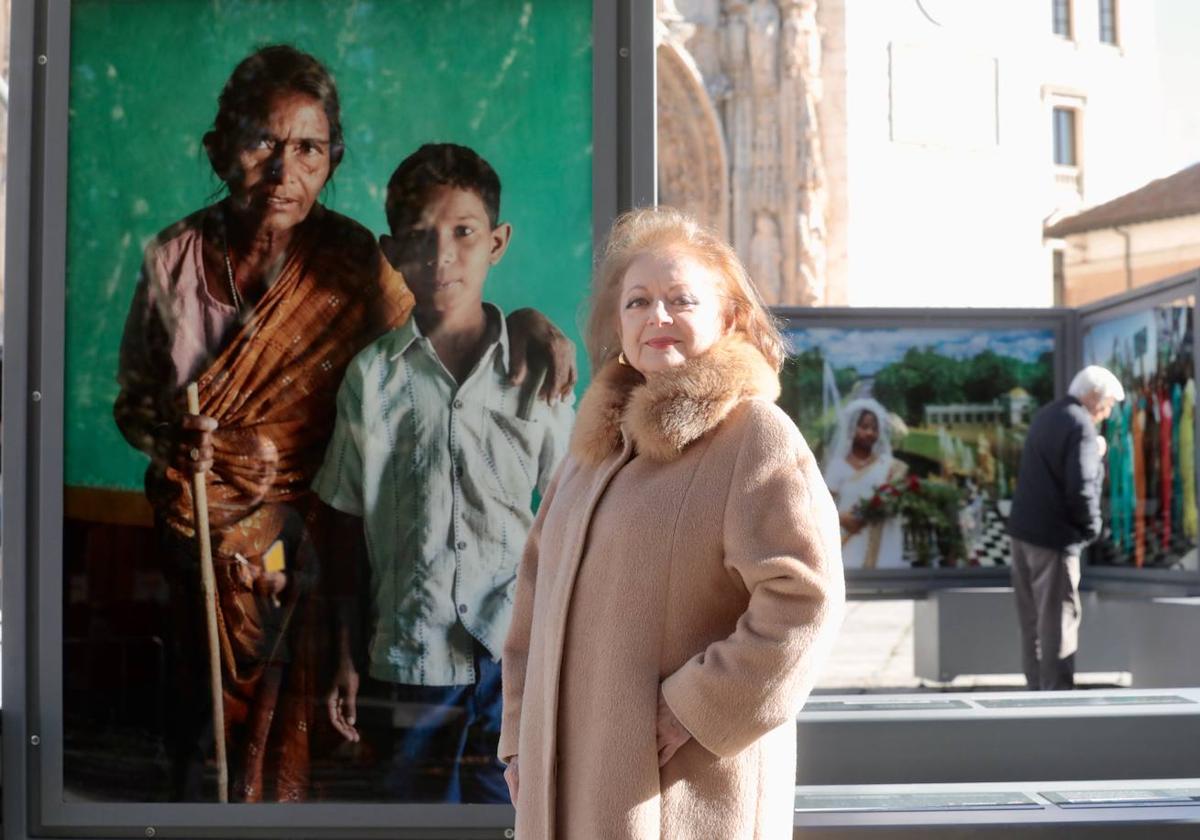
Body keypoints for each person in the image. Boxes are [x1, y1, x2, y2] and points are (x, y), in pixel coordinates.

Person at [113, 46, 574, 801]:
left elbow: (444, 339)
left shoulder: (357, 262)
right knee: (203, 752)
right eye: (262, 142)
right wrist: (173, 436)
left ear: (332, 159)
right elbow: (133, 401)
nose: (283, 169)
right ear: (222, 148)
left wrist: (524, 320)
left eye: (309, 149)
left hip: (321, 552)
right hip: (207, 546)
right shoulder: (173, 259)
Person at [499, 207, 845, 839]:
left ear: (728, 316)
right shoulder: (592, 452)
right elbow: (531, 600)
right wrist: (522, 737)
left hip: (678, 794)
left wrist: (695, 708)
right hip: (566, 790)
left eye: (681, 299)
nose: (656, 317)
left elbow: (805, 601)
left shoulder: (753, 437)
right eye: (638, 302)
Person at [313, 144, 574, 802]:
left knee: (509, 812)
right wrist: (342, 650)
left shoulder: (536, 371)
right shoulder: (372, 378)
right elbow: (343, 521)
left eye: (464, 233)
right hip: (410, 653)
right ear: (391, 251)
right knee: (414, 814)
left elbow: (577, 511)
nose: (443, 256)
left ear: (497, 242)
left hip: (517, 654)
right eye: (421, 238)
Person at [1008, 365, 1124, 690]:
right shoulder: (1082, 427)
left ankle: (1035, 692)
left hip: (1022, 534)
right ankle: (1057, 701)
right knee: (1059, 621)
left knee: (1031, 622)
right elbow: (1082, 487)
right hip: (1053, 540)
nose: (1108, 412)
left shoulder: (1048, 414)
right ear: (1094, 397)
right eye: (1109, 404)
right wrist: (1091, 530)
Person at [822, 398, 908, 568]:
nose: (870, 433)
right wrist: (842, 517)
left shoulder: (887, 466)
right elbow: (822, 506)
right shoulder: (838, 466)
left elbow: (896, 501)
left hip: (882, 539)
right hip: (850, 537)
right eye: (864, 426)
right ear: (852, 429)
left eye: (874, 428)